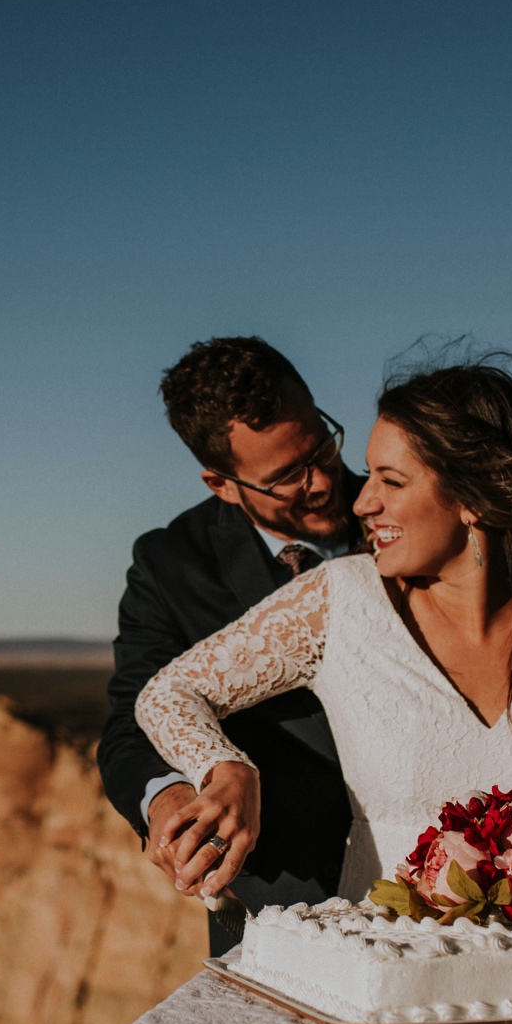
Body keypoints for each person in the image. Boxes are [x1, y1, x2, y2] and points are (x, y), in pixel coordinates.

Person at [135, 350, 512, 905]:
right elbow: (165, 694)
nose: (359, 501)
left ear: (473, 498)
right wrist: (227, 767)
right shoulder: (337, 599)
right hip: (391, 975)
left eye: (390, 479)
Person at [99, 338, 362, 954]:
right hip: (282, 901)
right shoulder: (169, 563)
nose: (323, 482)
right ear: (221, 483)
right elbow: (128, 726)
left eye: (322, 445)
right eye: (285, 478)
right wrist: (173, 797)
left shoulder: (403, 509)